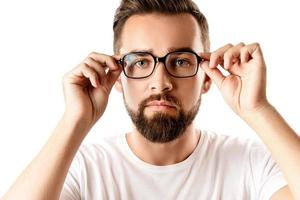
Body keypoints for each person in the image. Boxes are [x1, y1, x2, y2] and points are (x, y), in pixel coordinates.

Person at [2, 0, 300, 199]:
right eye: (141, 62)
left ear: (206, 77)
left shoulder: (251, 164)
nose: (161, 83)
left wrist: (258, 109)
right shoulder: (81, 169)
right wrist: (74, 121)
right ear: (117, 75)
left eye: (181, 61)